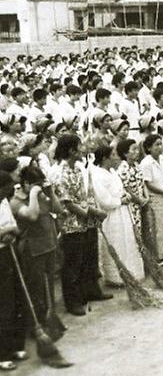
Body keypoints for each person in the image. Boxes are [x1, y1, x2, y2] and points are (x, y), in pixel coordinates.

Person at [52, 134, 111, 316]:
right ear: (71, 150)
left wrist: (91, 212)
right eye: (79, 146)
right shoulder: (60, 173)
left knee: (88, 259)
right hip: (72, 224)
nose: (83, 149)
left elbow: (84, 195)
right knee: (72, 264)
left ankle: (90, 291)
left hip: (86, 221)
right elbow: (67, 202)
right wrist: (92, 212)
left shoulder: (78, 169)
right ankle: (73, 301)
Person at [10, 164, 63, 336]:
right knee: (36, 288)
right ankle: (37, 325)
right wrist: (32, 193)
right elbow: (32, 215)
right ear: (26, 183)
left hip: (49, 243)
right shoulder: (16, 201)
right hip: (32, 248)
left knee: (49, 285)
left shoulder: (42, 194)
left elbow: (57, 209)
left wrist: (50, 192)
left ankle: (51, 320)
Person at [91, 145, 144, 287]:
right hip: (112, 215)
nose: (117, 158)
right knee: (117, 242)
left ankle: (131, 273)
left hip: (123, 212)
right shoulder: (98, 175)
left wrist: (125, 195)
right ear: (105, 158)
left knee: (127, 241)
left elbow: (120, 188)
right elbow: (103, 200)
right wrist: (119, 201)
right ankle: (116, 277)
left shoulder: (113, 172)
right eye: (113, 155)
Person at [0, 170, 25, 371]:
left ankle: (16, 345)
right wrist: (5, 232)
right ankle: (3, 353)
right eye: (6, 186)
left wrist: (10, 233)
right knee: (4, 304)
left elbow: (14, 227)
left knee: (17, 299)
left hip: (10, 251)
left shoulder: (5, 202)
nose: (10, 189)